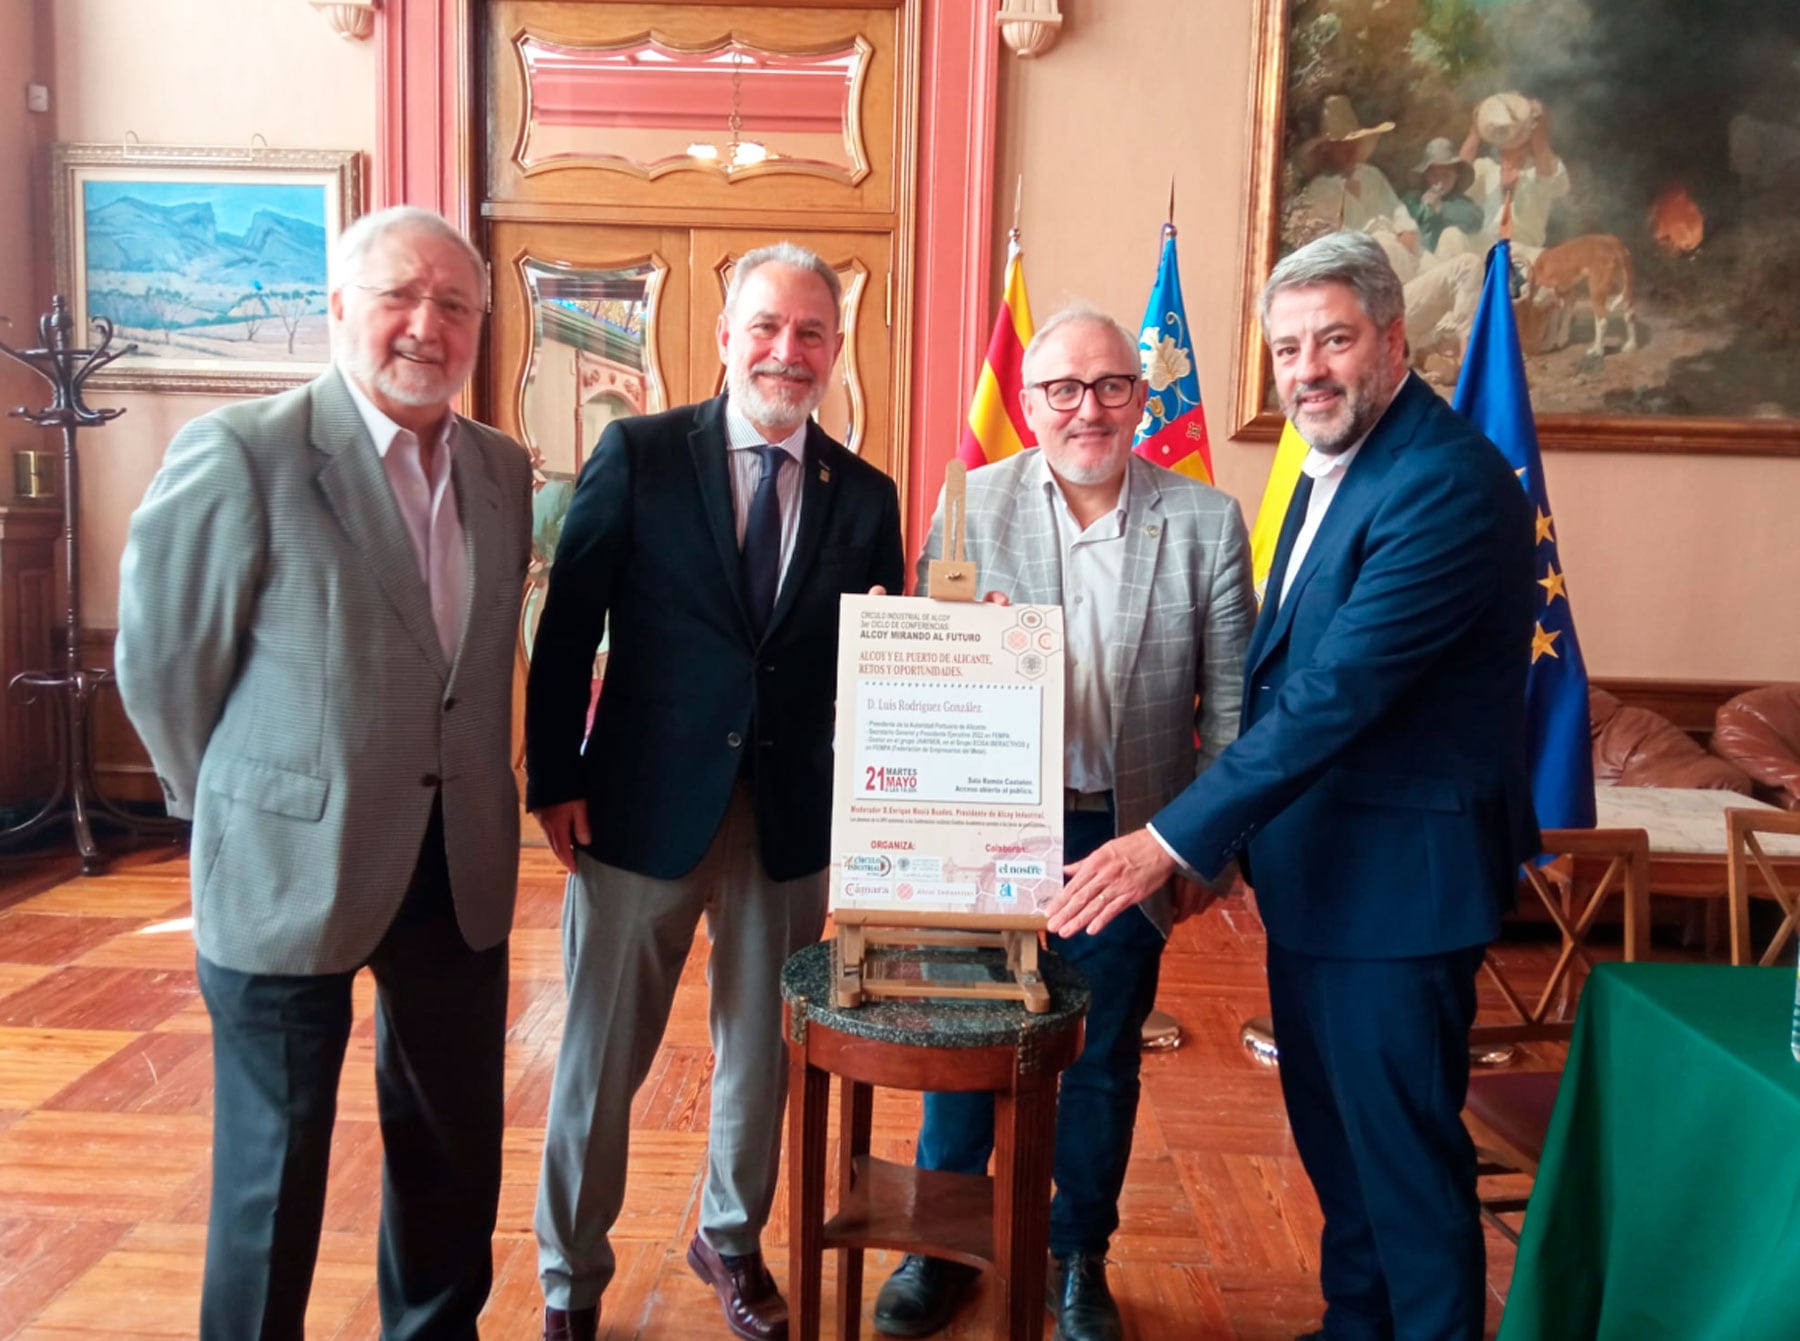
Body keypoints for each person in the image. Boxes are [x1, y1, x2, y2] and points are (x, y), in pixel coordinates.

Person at [1046, 231, 1539, 1341]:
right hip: (1329, 883)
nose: (1307, 369)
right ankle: (1354, 1325)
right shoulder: (1342, 470)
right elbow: (1287, 681)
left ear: (1394, 340)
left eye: (1333, 340)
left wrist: (1170, 841)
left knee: (1403, 1166)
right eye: (1285, 349)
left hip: (1397, 900)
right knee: (1339, 1142)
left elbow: (1336, 694)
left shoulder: (1444, 485)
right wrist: (1236, 849)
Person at [115, 204, 534, 1340]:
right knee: (274, 1167)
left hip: (459, 868)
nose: (426, 325)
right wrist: (237, 807)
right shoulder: (245, 454)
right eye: (400, 295)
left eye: (454, 305)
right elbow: (162, 663)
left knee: (453, 1152)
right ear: (340, 307)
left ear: (481, 326)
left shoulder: (502, 467)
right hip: (284, 865)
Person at [525, 241, 905, 1341]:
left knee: (760, 1056)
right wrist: (555, 776)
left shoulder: (865, 496)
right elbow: (568, 630)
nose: (788, 352)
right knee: (600, 1057)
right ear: (726, 337)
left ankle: (727, 1240)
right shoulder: (637, 455)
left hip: (788, 817)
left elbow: (878, 663)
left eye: (811, 333)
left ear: (835, 349)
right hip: (638, 811)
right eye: (767, 328)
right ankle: (568, 1281)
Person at [871, 305, 1255, 1341]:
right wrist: (949, 645)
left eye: (1111, 386)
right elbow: (921, 669)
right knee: (960, 1041)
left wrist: (1197, 859)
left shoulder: (1207, 521)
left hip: (1129, 841)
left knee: (1099, 1059)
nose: (1088, 408)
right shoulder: (968, 503)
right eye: (1063, 389)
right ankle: (940, 1246)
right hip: (982, 830)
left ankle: (1075, 1252)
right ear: (1030, 402)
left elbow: (1229, 716)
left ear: (1141, 396)